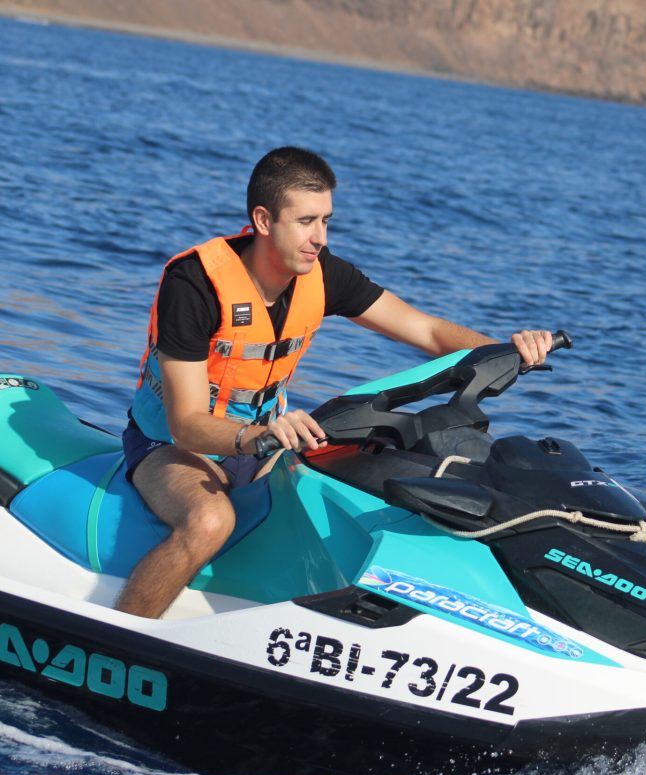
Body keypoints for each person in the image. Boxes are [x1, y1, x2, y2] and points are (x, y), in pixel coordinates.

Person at [116, 146, 552, 619]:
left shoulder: (322, 274)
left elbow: (425, 330)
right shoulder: (195, 284)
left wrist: (507, 351)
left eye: (326, 221)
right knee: (208, 522)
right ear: (264, 220)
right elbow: (186, 425)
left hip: (265, 442)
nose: (319, 237)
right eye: (306, 221)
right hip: (173, 447)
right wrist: (259, 436)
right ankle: (120, 636)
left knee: (363, 494)